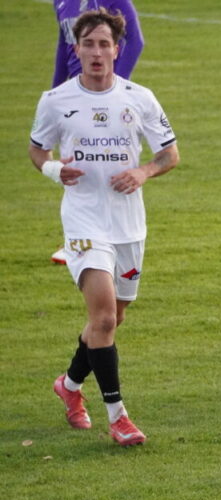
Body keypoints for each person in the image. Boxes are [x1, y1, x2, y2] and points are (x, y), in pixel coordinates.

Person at [29, 8, 179, 446]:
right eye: (88, 44)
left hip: (129, 225)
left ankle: (70, 386)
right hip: (83, 220)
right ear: (76, 49)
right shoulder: (55, 100)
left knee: (112, 321)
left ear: (118, 49)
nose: (97, 52)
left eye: (104, 44)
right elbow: (37, 150)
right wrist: (55, 171)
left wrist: (144, 173)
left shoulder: (140, 97)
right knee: (105, 317)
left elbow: (170, 153)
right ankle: (119, 417)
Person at [50, 0, 144, 266]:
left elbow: (135, 41)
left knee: (104, 162)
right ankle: (79, 239)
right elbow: (64, 44)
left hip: (102, 94)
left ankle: (104, 240)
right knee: (74, 164)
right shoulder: (60, 1)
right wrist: (56, 90)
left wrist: (109, 90)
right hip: (74, 93)